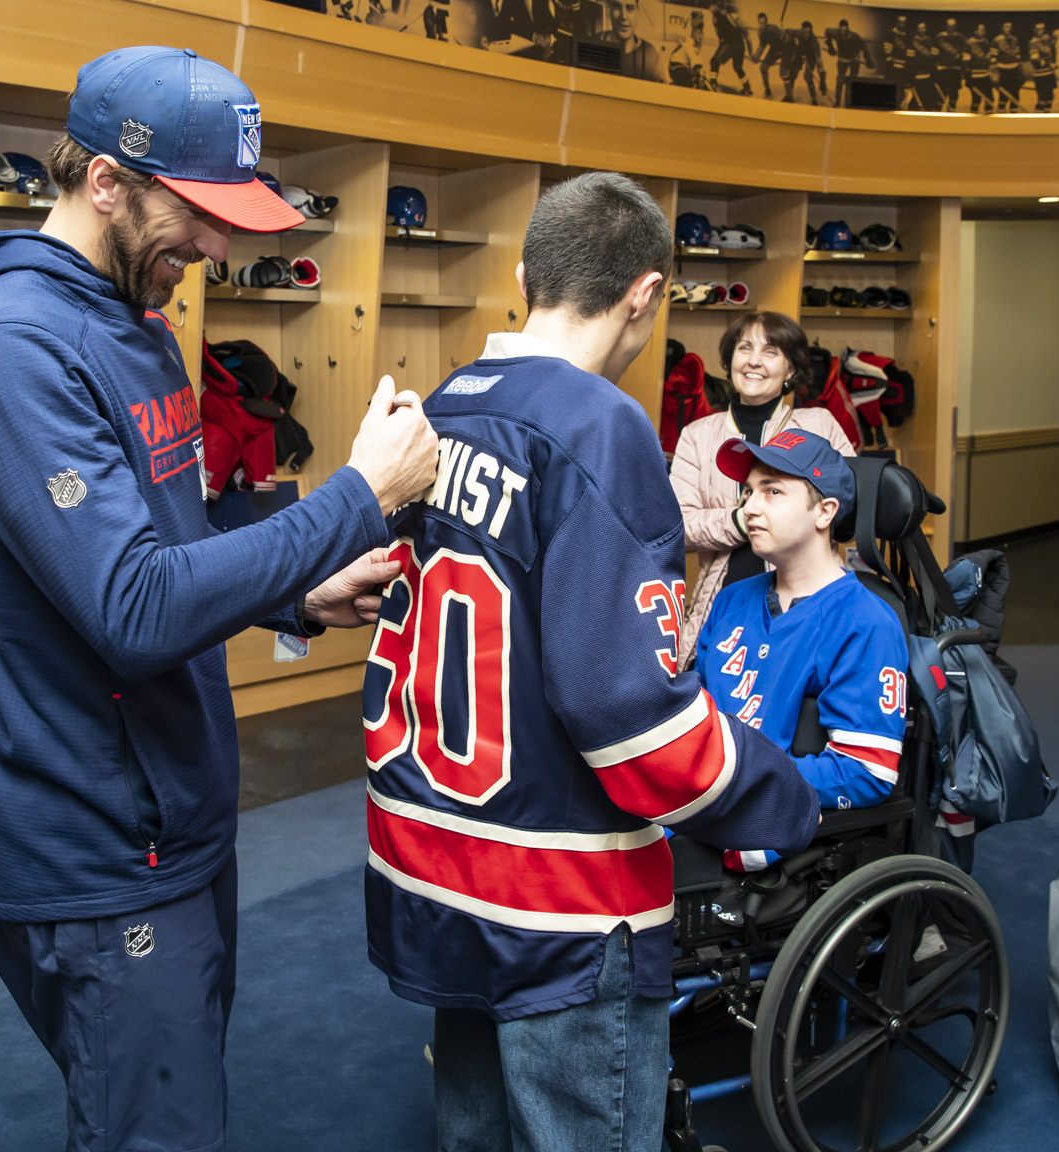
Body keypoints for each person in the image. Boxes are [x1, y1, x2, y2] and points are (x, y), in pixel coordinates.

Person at [0, 46, 439, 1152]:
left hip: (173, 816)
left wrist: (297, 591)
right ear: (105, 182)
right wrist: (356, 499)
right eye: (193, 213)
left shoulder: (134, 323)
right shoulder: (13, 347)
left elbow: (172, 545)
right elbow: (136, 606)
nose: (213, 246)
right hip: (94, 846)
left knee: (158, 1110)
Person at [363, 173, 819, 1152]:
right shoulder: (600, 429)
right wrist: (786, 797)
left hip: (432, 862)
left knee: (474, 1131)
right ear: (646, 295)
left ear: (524, 274)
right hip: (556, 899)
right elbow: (633, 722)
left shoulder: (444, 405)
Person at [697, 430, 908, 864]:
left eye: (772, 491)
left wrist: (743, 784)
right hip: (692, 798)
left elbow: (867, 771)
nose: (749, 508)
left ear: (824, 512)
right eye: (748, 491)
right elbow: (695, 707)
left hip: (751, 825)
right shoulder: (732, 598)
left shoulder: (865, 622)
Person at [668, 311, 854, 671]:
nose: (754, 360)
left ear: (791, 370)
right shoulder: (697, 435)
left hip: (811, 603)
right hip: (722, 605)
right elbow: (678, 527)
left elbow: (849, 508)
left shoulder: (819, 425)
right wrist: (739, 520)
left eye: (771, 352)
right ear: (730, 360)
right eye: (744, 348)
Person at [605, 0, 665, 81]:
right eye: (617, 7)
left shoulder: (650, 55)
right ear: (609, 8)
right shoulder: (593, 43)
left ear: (637, 11)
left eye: (630, 8)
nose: (624, 16)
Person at [708, 0, 752, 95]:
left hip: (730, 43)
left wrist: (721, 49)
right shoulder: (725, 13)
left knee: (714, 61)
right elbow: (735, 26)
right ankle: (747, 87)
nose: (709, 9)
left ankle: (712, 83)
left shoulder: (716, 17)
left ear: (715, 6)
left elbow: (720, 35)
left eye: (710, 6)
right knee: (738, 67)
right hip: (740, 44)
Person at [825, 18, 866, 106]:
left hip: (854, 59)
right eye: (841, 30)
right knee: (839, 80)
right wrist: (830, 47)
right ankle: (837, 101)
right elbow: (827, 31)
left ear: (848, 29)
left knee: (853, 79)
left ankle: (850, 101)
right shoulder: (835, 32)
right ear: (839, 28)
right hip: (842, 59)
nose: (843, 32)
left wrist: (866, 59)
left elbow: (863, 46)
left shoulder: (854, 36)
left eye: (844, 30)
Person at [670, 10, 711, 88]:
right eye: (699, 33)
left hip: (683, 67)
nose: (701, 36)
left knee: (696, 78)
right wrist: (699, 70)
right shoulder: (689, 42)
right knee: (693, 82)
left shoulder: (698, 43)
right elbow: (693, 57)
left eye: (702, 33)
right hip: (675, 67)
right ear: (694, 32)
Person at [1028, 21, 1059, 112]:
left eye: (1042, 28)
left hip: (1049, 72)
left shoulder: (1047, 39)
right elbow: (1035, 60)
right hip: (1040, 74)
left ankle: (1047, 115)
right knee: (1042, 99)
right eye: (1038, 29)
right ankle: (1039, 116)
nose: (1041, 31)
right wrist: (1048, 63)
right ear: (1035, 30)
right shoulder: (1033, 42)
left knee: (1050, 97)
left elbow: (1054, 51)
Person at [935, 17, 966, 111]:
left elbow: (963, 53)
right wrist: (935, 65)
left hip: (955, 68)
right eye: (949, 26)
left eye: (953, 26)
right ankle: (938, 111)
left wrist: (963, 68)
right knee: (941, 91)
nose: (951, 28)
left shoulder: (960, 37)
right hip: (942, 68)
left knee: (954, 91)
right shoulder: (939, 37)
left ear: (956, 27)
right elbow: (935, 52)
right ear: (946, 26)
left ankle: (952, 110)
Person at [993, 21, 1025, 111]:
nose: (1008, 29)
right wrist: (994, 73)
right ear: (1002, 28)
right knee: (1003, 95)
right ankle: (1001, 117)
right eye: (1006, 27)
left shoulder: (1015, 39)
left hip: (1014, 69)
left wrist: (1020, 67)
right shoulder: (997, 40)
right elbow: (993, 57)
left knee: (1015, 93)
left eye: (1010, 27)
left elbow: (1018, 54)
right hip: (1003, 69)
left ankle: (1013, 115)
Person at [965, 23, 995, 113]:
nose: (983, 32)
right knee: (976, 99)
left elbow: (989, 56)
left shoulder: (986, 42)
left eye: (984, 30)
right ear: (975, 31)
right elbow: (965, 58)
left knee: (989, 98)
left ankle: (989, 120)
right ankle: (973, 121)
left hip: (985, 74)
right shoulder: (969, 43)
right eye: (981, 30)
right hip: (974, 75)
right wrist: (967, 74)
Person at [755, 13, 784, 99]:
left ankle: (790, 94)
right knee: (763, 67)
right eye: (760, 23)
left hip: (784, 49)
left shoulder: (773, 29)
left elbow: (785, 42)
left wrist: (784, 54)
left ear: (766, 23)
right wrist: (756, 56)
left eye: (763, 23)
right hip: (774, 50)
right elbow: (762, 46)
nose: (762, 25)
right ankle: (767, 89)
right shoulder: (760, 32)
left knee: (784, 72)